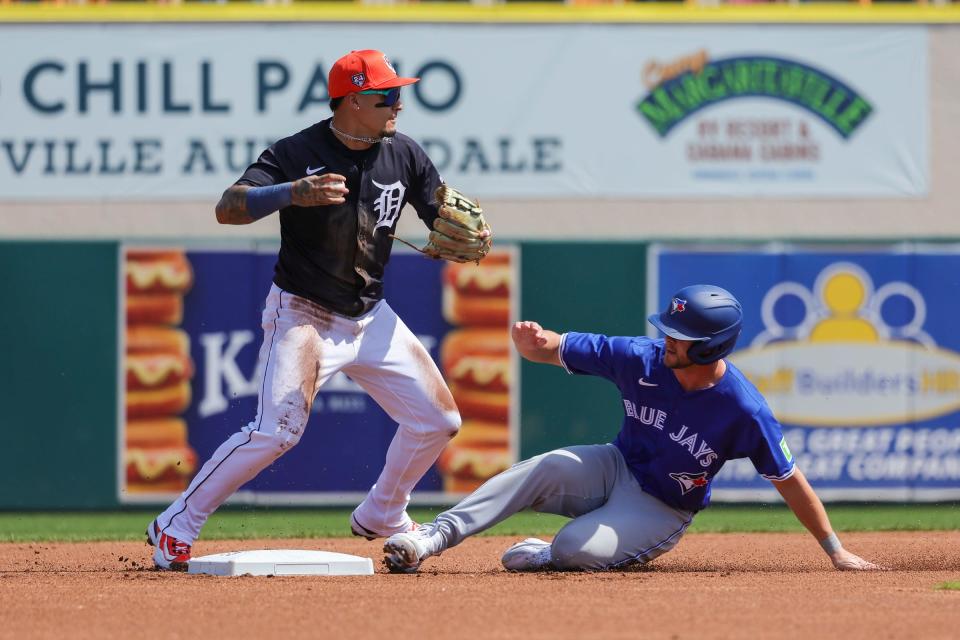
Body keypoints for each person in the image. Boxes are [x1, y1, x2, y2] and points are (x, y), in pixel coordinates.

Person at [146, 49, 491, 570]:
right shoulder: (296, 151)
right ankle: (176, 524)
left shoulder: (405, 154)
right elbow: (228, 206)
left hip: (371, 316)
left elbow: (440, 209)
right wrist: (291, 193)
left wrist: (469, 231)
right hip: (304, 313)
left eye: (399, 94)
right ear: (353, 100)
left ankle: (383, 512)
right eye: (386, 96)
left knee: (438, 420)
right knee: (277, 430)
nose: (398, 104)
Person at [383, 284, 882, 573]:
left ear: (711, 347)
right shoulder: (642, 358)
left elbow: (788, 480)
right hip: (614, 465)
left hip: (662, 506)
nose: (668, 339)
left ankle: (548, 555)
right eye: (668, 329)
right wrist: (533, 344)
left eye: (681, 337)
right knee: (546, 466)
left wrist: (834, 550)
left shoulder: (743, 410)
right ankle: (432, 537)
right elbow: (553, 348)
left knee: (575, 551)